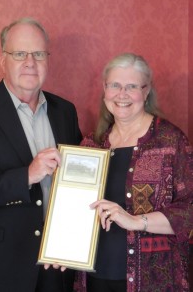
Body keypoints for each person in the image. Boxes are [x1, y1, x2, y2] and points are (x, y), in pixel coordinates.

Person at [0, 17, 82, 292]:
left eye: (39, 54)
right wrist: (26, 175)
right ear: (3, 60)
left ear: (48, 59)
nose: (30, 62)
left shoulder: (64, 111)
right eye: (19, 54)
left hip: (56, 267)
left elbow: (75, 184)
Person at [80, 53, 193, 292]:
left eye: (132, 86)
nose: (122, 94)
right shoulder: (91, 143)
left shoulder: (171, 141)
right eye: (115, 85)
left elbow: (190, 210)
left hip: (153, 279)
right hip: (93, 277)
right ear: (104, 89)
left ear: (147, 90)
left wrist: (134, 221)